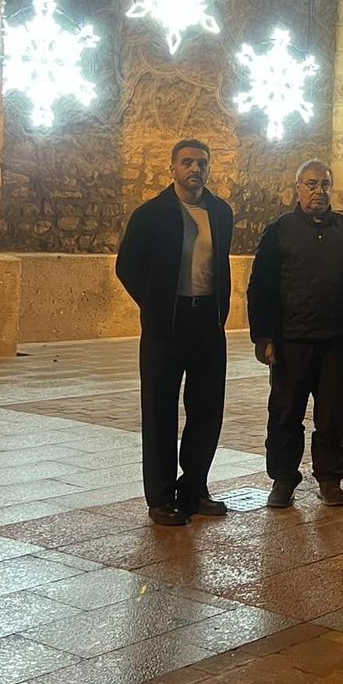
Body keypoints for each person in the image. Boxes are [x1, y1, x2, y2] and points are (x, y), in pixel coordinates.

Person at [114, 139, 235, 526]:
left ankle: (195, 488)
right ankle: (161, 497)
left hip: (207, 322)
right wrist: (153, 303)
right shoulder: (152, 214)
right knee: (160, 409)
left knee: (207, 408)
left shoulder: (220, 212)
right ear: (173, 169)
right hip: (166, 324)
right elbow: (127, 266)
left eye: (201, 162)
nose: (195, 169)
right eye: (187, 162)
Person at [247, 160, 343, 510]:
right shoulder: (279, 231)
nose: (319, 191)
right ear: (298, 188)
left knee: (334, 415)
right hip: (292, 343)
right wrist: (264, 336)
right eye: (312, 184)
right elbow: (262, 287)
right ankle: (284, 479)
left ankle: (330, 479)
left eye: (325, 184)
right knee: (286, 414)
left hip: (336, 343)